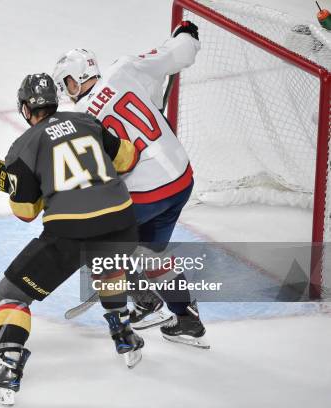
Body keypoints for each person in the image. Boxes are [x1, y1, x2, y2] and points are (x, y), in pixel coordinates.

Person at [0, 73, 143, 406]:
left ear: (24, 108)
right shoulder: (86, 120)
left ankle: (7, 372)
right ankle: (124, 335)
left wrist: (5, 181)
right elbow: (126, 159)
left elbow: (26, 210)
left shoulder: (23, 146)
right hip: (123, 221)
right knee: (106, 265)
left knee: (11, 293)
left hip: (72, 231)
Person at [53, 21, 208, 348]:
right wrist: (186, 35)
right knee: (153, 254)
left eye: (66, 83)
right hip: (181, 179)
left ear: (76, 77)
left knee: (96, 243)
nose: (67, 92)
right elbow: (175, 53)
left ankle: (143, 299)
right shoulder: (125, 68)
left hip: (147, 191)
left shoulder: (81, 120)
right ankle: (186, 318)